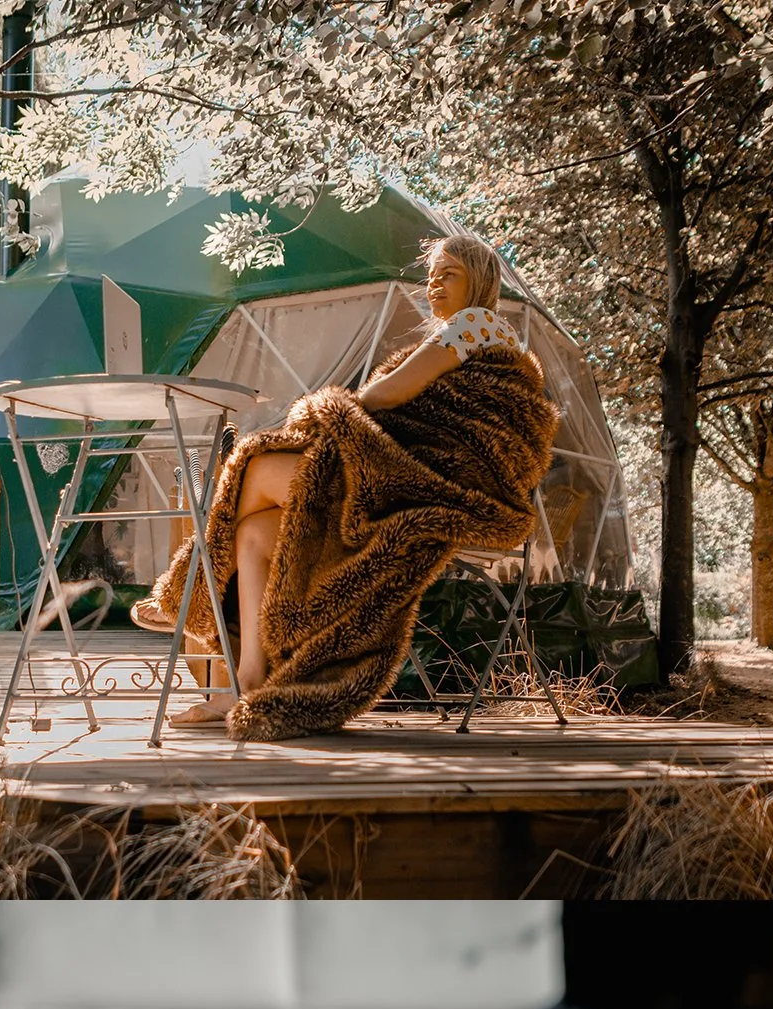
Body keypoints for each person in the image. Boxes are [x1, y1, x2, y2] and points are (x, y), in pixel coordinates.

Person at [135, 232, 553, 734]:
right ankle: (245, 681)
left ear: (481, 282)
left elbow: (392, 393)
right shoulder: (488, 339)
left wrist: (331, 418)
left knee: (256, 467)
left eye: (451, 274)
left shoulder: (476, 323)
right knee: (251, 535)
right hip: (424, 484)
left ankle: (186, 595)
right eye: (432, 274)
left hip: (425, 488)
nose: (435, 284)